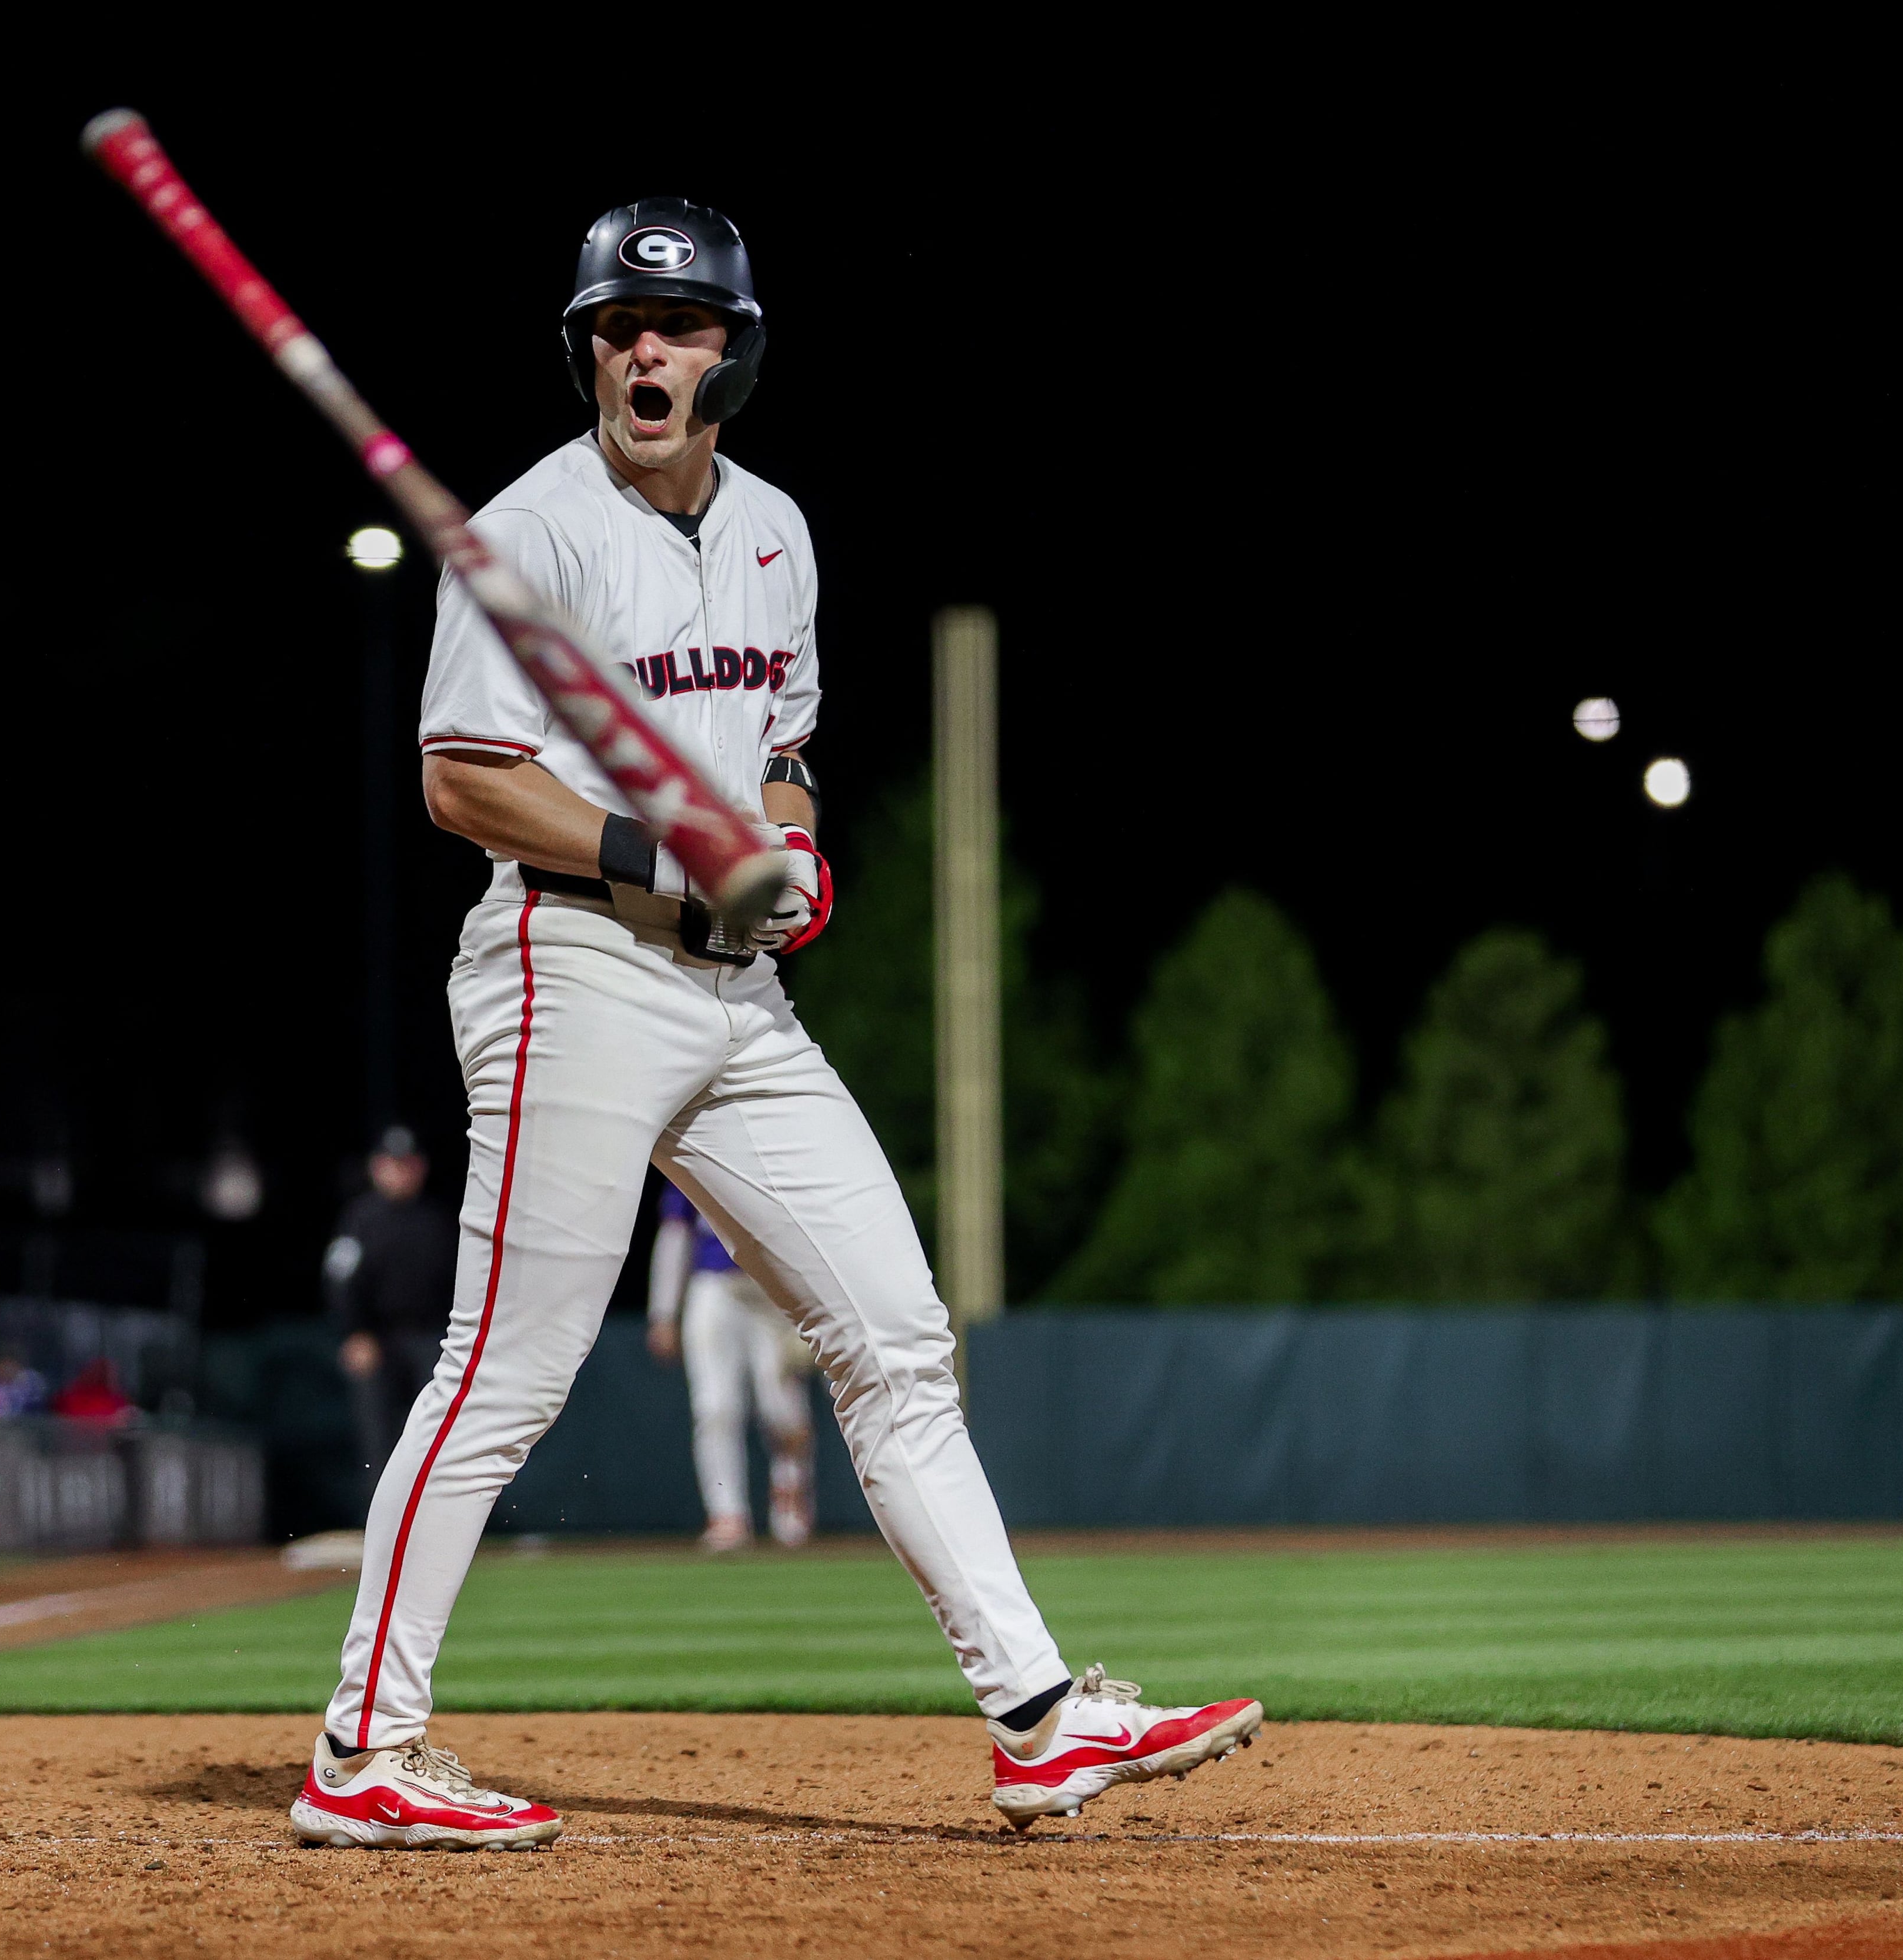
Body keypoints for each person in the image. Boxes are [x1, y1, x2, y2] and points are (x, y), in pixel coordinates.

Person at [287, 197, 1260, 1853]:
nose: (643, 351)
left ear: (734, 351)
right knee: (506, 1377)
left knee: (895, 1335)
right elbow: (460, 777)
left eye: (674, 326)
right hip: (571, 967)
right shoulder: (529, 530)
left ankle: (1034, 1713)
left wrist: (793, 844)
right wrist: (651, 851)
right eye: (615, 326)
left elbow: (785, 741)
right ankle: (362, 1748)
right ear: (591, 349)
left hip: (737, 993)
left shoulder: (778, 530)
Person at [647, 1182, 812, 1551]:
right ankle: (727, 1515)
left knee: (781, 1407)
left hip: (773, 1287)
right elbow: (676, 1231)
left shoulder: (778, 1155)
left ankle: (791, 1496)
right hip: (714, 1282)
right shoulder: (693, 1145)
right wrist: (663, 1311)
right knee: (715, 1407)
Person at [322, 1127, 459, 1507]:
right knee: (377, 1438)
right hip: (377, 1339)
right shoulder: (360, 1218)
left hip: (432, 1339)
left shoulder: (438, 1220)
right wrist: (354, 1333)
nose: (401, 1172)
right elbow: (339, 1280)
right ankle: (381, 1522)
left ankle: (433, 1519)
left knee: (434, 1435)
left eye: (408, 1164)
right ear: (377, 1167)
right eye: (393, 1164)